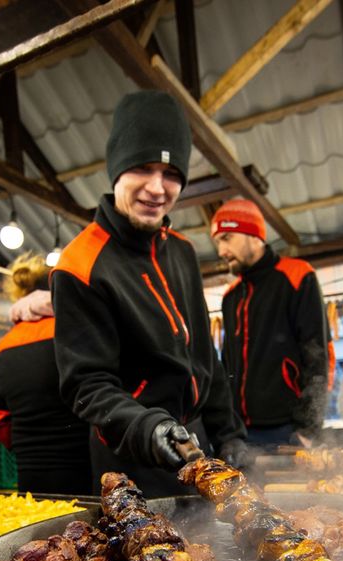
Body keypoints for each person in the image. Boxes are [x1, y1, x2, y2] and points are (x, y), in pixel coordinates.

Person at [51, 90, 248, 497]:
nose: (158, 188)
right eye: (142, 168)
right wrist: (148, 426)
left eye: (172, 173)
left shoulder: (183, 250)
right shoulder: (80, 264)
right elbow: (87, 384)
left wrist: (229, 435)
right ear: (117, 170)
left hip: (193, 442)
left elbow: (204, 359)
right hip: (131, 452)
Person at [212, 198, 330, 448]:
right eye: (217, 242)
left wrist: (309, 428)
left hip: (287, 431)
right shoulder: (230, 296)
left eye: (226, 238)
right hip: (240, 435)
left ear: (254, 235)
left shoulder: (297, 277)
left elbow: (318, 355)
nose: (221, 251)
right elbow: (227, 364)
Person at [0, 253, 91, 494]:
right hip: (84, 464)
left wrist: (26, 443)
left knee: (41, 530)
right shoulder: (76, 334)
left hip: (30, 468)